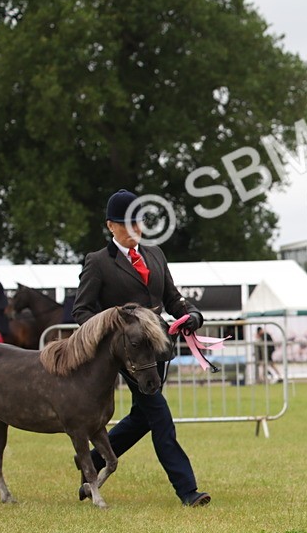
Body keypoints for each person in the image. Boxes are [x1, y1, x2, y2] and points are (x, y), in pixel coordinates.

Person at [71, 189, 211, 507]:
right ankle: (188, 490)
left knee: (142, 417)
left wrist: (191, 314)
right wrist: (113, 335)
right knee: (159, 416)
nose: (137, 229)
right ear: (111, 226)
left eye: (140, 222)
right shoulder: (98, 263)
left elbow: (172, 298)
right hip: (128, 356)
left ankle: (89, 461)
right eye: (128, 224)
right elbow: (81, 311)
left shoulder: (155, 254)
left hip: (158, 350)